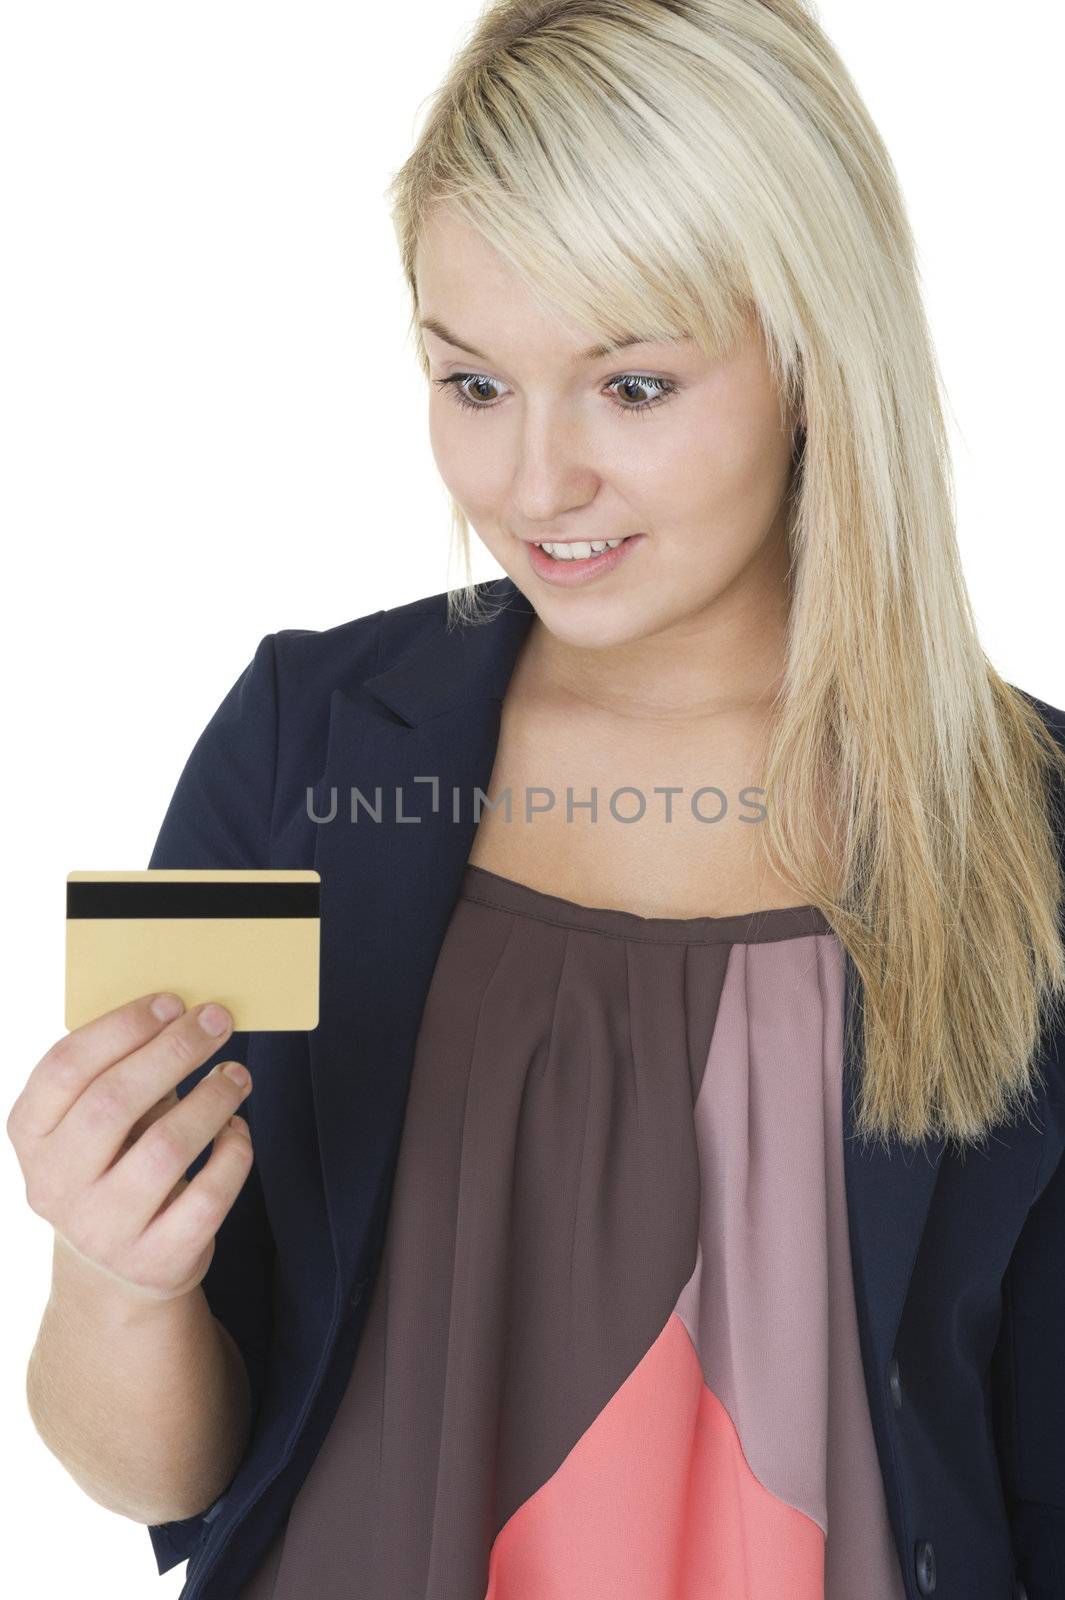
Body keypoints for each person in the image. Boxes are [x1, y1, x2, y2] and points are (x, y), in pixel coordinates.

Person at [9, 2, 1065, 1596]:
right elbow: (152, 1475)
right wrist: (112, 1273)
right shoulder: (303, 741)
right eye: (475, 383)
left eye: (630, 387)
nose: (531, 483)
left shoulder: (1030, 837)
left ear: (810, 359)